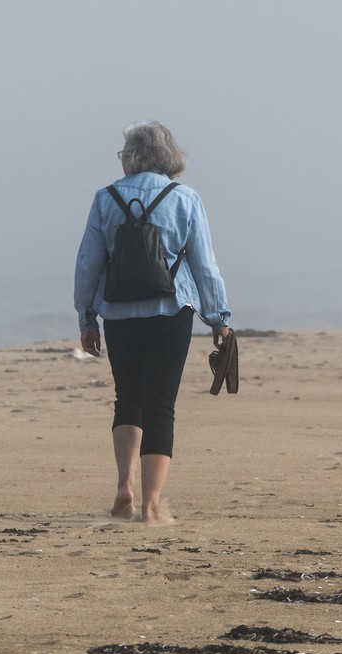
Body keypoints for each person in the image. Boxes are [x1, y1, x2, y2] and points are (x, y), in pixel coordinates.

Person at [74, 120, 231, 523]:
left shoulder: (105, 198)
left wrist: (87, 317)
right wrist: (219, 318)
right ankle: (150, 506)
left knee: (127, 398)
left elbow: (89, 263)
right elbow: (204, 265)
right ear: (168, 155)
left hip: (120, 314)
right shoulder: (185, 198)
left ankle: (124, 485)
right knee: (161, 407)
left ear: (130, 156)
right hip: (171, 312)